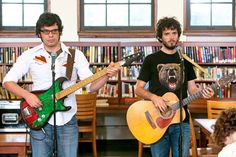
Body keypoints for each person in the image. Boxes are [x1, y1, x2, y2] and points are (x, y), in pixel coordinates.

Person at [2, 12, 119, 157]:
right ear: (40, 33)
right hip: (39, 118)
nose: (50, 35)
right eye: (46, 31)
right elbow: (7, 81)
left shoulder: (75, 55)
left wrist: (106, 75)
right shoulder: (29, 55)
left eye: (54, 31)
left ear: (60, 32)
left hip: (67, 120)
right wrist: (28, 96)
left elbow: (91, 86)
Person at [134, 16, 214, 157]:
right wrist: (154, 97)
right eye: (166, 34)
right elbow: (138, 89)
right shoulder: (151, 60)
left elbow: (192, 89)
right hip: (157, 120)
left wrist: (203, 92)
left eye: (174, 33)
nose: (171, 37)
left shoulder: (185, 61)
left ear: (178, 35)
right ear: (160, 37)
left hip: (181, 121)